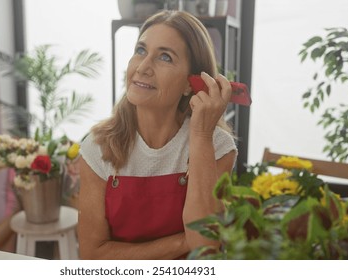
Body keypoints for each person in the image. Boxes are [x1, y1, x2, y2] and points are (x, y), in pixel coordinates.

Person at [78, 10, 237, 260]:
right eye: (141, 50)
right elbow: (92, 255)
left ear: (191, 83)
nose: (143, 67)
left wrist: (201, 135)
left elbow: (205, 246)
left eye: (165, 57)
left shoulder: (217, 146)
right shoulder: (97, 148)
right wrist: (184, 240)